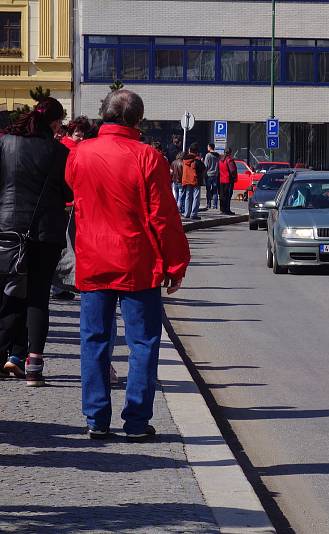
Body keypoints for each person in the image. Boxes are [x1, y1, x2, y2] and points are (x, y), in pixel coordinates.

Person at [66, 89, 190, 441]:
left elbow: (73, 191)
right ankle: (136, 421)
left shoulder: (79, 154)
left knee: (94, 340)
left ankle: (96, 418)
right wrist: (176, 263)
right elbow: (163, 217)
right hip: (137, 261)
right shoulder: (148, 157)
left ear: (104, 114)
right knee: (144, 343)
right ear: (137, 119)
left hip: (93, 257)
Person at [0, 98, 69, 386]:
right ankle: (34, 366)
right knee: (38, 296)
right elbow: (67, 191)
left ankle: (3, 357)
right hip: (44, 232)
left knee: (9, 293)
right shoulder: (58, 151)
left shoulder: (4, 144)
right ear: (53, 123)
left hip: (7, 229)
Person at [52, 116, 91, 301]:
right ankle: (63, 284)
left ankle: (61, 285)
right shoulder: (68, 149)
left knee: (66, 247)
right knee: (68, 247)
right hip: (70, 204)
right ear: (70, 133)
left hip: (71, 203)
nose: (81, 138)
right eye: (78, 134)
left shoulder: (69, 147)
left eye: (83, 134)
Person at [181, 143, 205, 220]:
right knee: (196, 197)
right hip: (195, 180)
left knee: (188, 197)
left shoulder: (184, 159)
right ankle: (193, 214)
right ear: (196, 151)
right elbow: (203, 168)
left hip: (186, 180)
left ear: (189, 150)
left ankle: (186, 213)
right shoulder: (196, 160)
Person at [218, 148, 236, 215]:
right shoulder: (229, 160)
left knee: (222, 195)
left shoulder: (221, 160)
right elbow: (232, 170)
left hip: (221, 179)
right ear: (230, 153)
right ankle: (227, 210)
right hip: (228, 180)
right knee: (228, 195)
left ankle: (222, 209)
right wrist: (234, 177)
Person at [204, 144, 220, 211]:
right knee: (215, 191)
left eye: (208, 146)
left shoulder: (208, 155)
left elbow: (206, 165)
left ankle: (208, 204)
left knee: (208, 190)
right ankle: (215, 205)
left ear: (210, 147)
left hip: (209, 174)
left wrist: (204, 173)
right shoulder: (217, 155)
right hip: (215, 174)